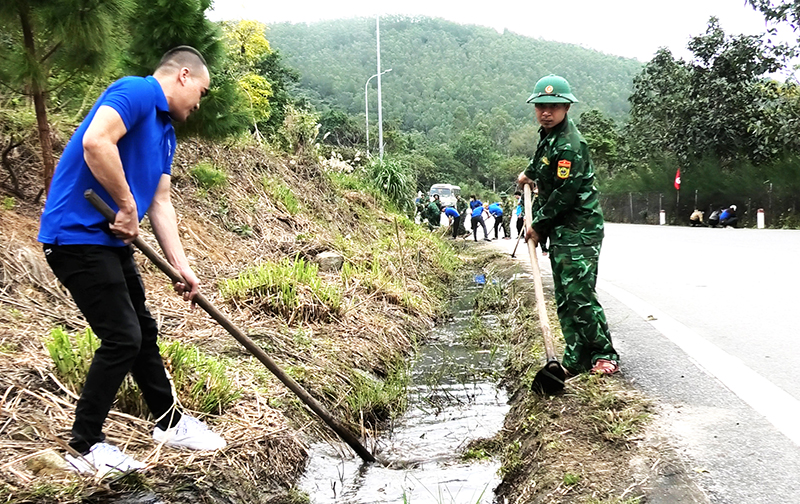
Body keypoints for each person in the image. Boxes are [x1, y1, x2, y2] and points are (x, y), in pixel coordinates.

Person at [38, 46, 225, 477]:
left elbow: (160, 201)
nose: (200, 103)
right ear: (183, 75)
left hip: (107, 242)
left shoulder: (165, 131)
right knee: (123, 337)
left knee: (142, 331)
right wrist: (125, 204)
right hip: (75, 237)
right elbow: (96, 142)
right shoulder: (136, 91)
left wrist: (181, 266)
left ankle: (170, 423)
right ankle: (84, 446)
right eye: (201, 91)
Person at [517, 74, 619, 376]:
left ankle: (604, 353)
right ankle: (576, 358)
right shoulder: (548, 137)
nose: (546, 112)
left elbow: (565, 194)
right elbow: (540, 164)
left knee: (579, 294)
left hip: (579, 229)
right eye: (541, 106)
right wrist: (528, 175)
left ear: (566, 108)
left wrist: (538, 225)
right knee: (564, 296)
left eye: (554, 106)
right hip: (562, 230)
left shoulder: (570, 145)